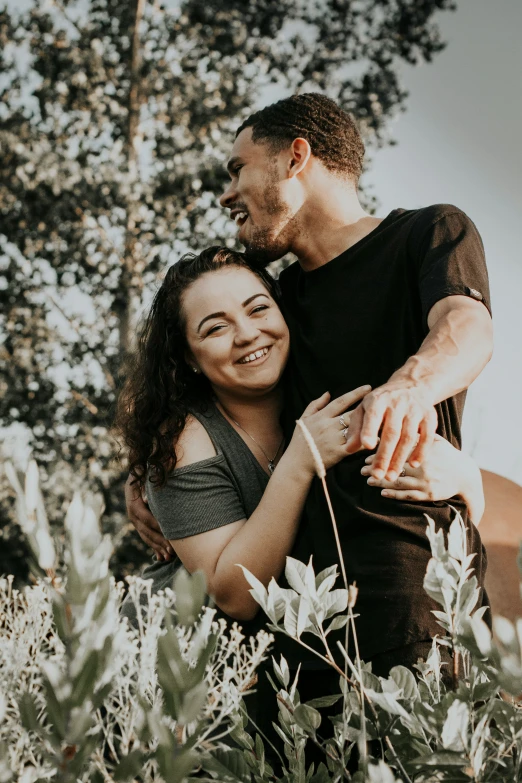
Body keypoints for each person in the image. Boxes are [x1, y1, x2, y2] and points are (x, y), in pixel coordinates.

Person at [126, 93, 493, 679]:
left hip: (415, 591)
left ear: (295, 158)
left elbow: (465, 327)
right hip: (305, 621)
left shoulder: (428, 232)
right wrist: (147, 474)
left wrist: (411, 391)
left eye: (237, 169)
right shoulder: (281, 300)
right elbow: (209, 381)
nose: (226, 194)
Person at [118, 247, 482, 633]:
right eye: (215, 328)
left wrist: (468, 481)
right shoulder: (183, 439)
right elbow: (234, 596)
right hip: (171, 663)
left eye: (258, 309)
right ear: (188, 357)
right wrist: (298, 462)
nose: (247, 334)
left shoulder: (317, 386)